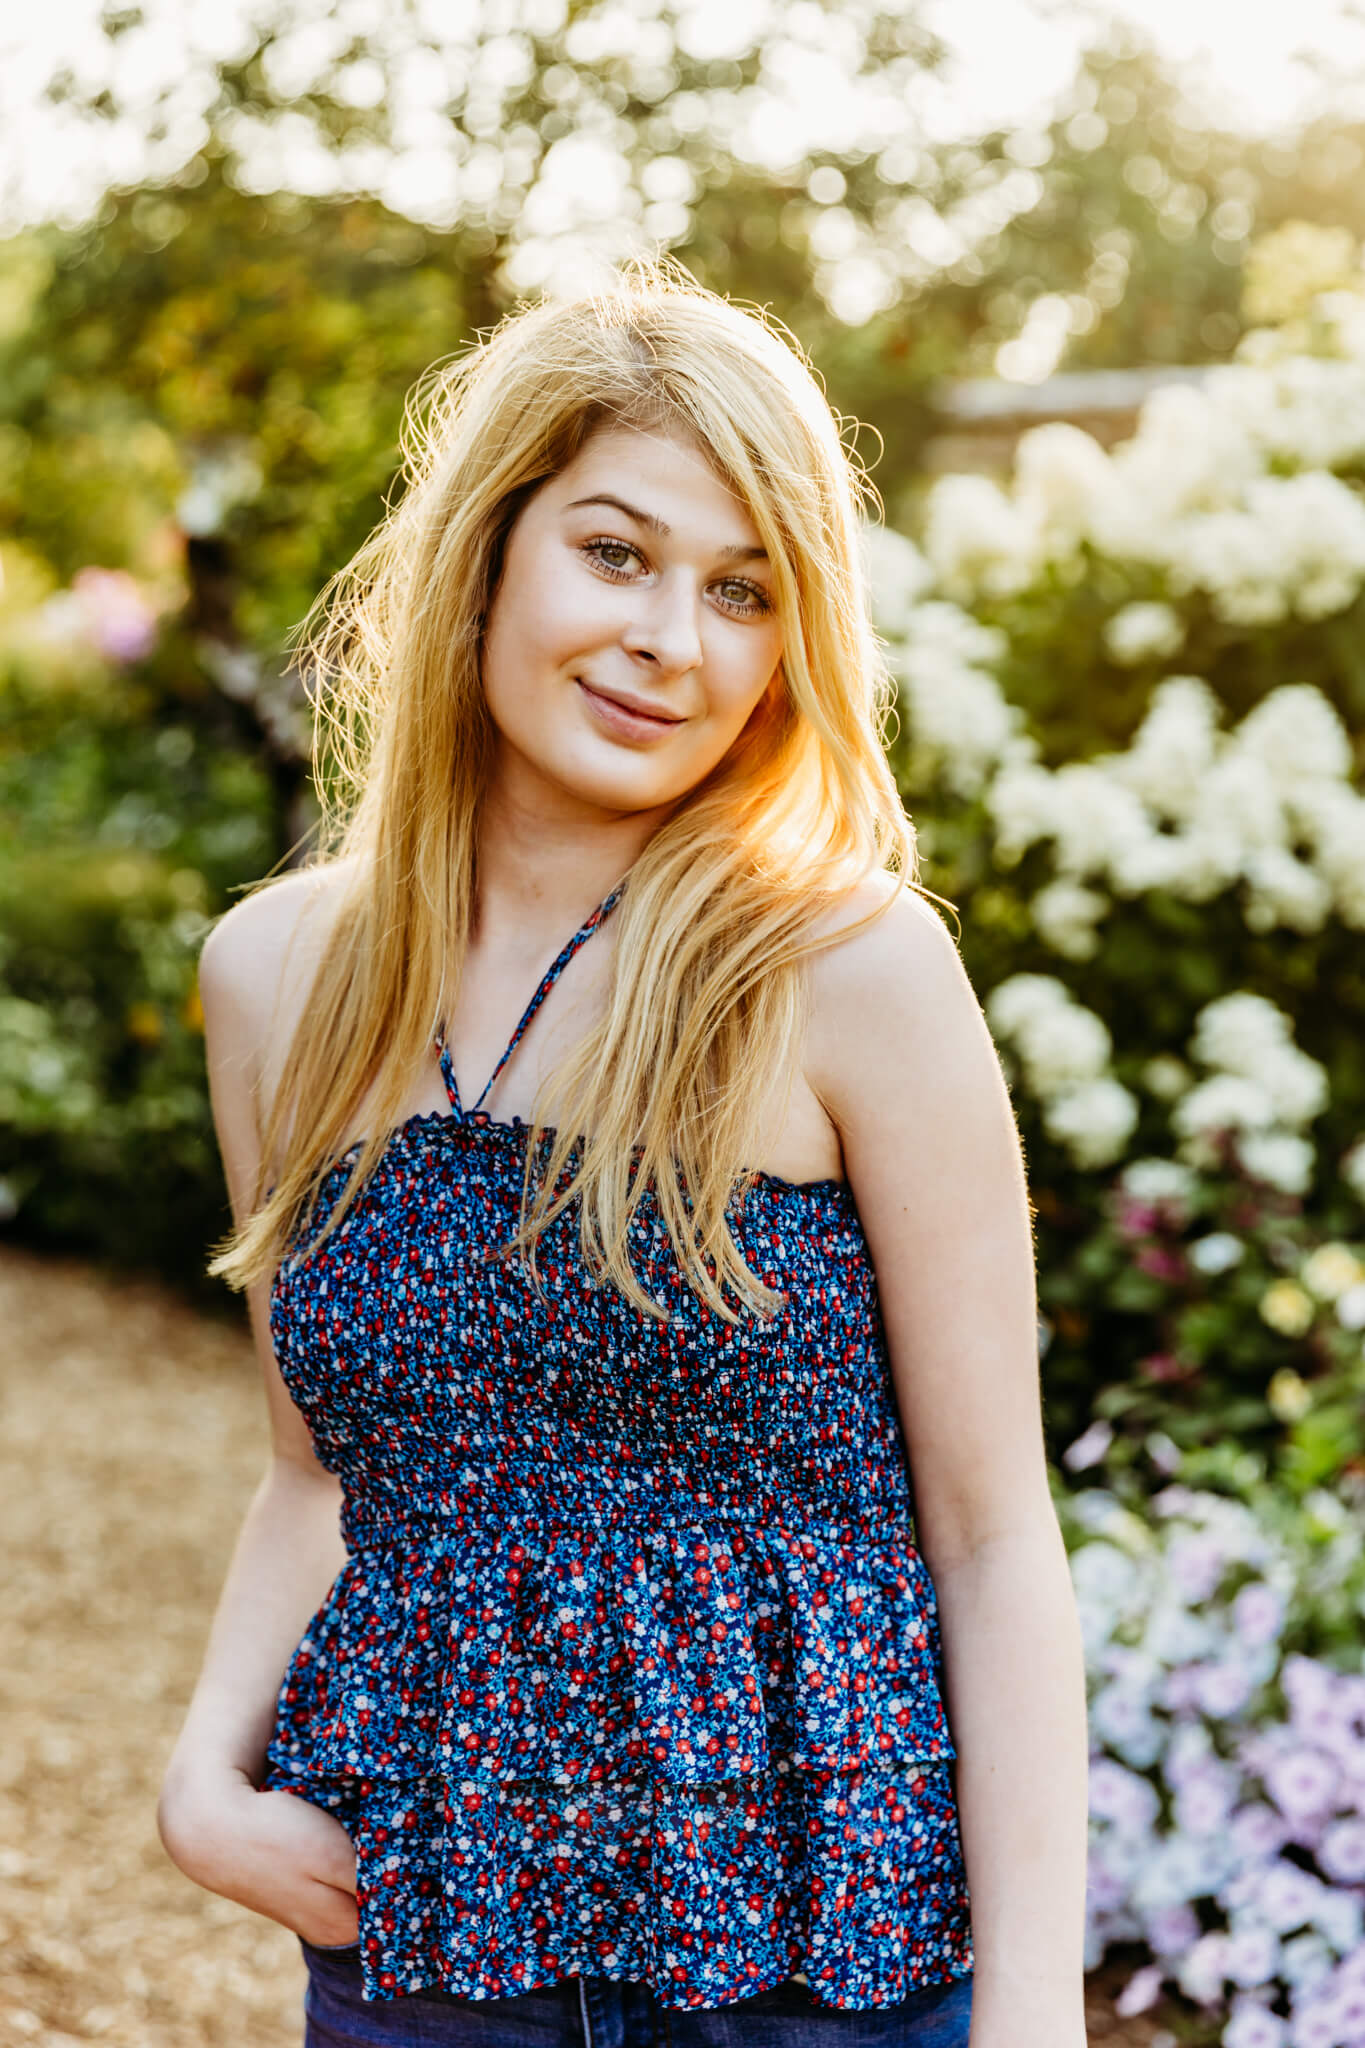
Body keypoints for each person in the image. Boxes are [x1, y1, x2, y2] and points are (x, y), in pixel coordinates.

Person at [156, 255, 1089, 2048]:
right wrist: (202, 1776)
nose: (674, 637)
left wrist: (1034, 2008)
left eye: (743, 590)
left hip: (812, 1974)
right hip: (425, 1965)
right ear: (486, 550)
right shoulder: (274, 977)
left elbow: (989, 1534)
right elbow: (316, 1473)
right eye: (615, 552)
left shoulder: (847, 970)